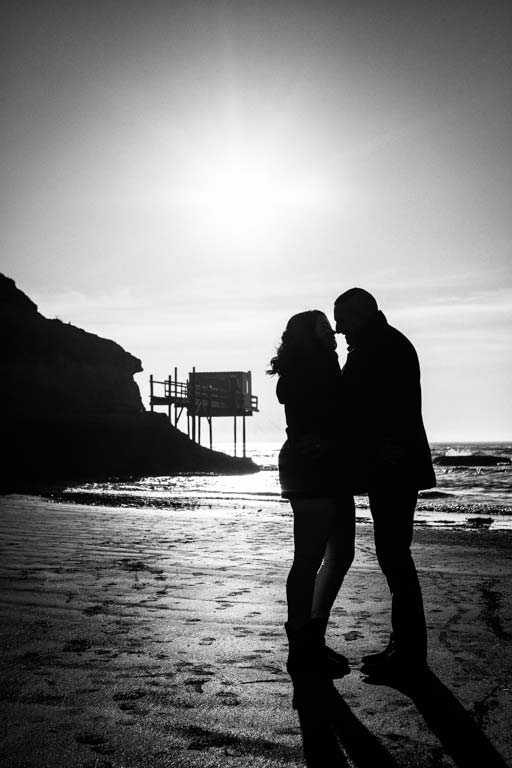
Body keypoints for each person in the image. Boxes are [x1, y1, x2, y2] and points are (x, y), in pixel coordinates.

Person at [333, 288, 436, 675]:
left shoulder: (382, 346)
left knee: (395, 555)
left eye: (342, 319)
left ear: (360, 315)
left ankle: (409, 652)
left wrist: (384, 450)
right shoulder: (378, 343)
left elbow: (385, 407)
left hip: (393, 465)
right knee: (394, 555)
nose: (339, 328)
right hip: (392, 464)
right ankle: (403, 646)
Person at [268, 310, 354, 702]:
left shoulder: (325, 363)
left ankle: (313, 637)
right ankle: (301, 645)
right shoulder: (305, 369)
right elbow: (318, 417)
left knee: (342, 553)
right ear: (308, 334)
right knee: (309, 556)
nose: (331, 330)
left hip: (331, 464)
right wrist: (326, 440)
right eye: (322, 325)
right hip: (310, 464)